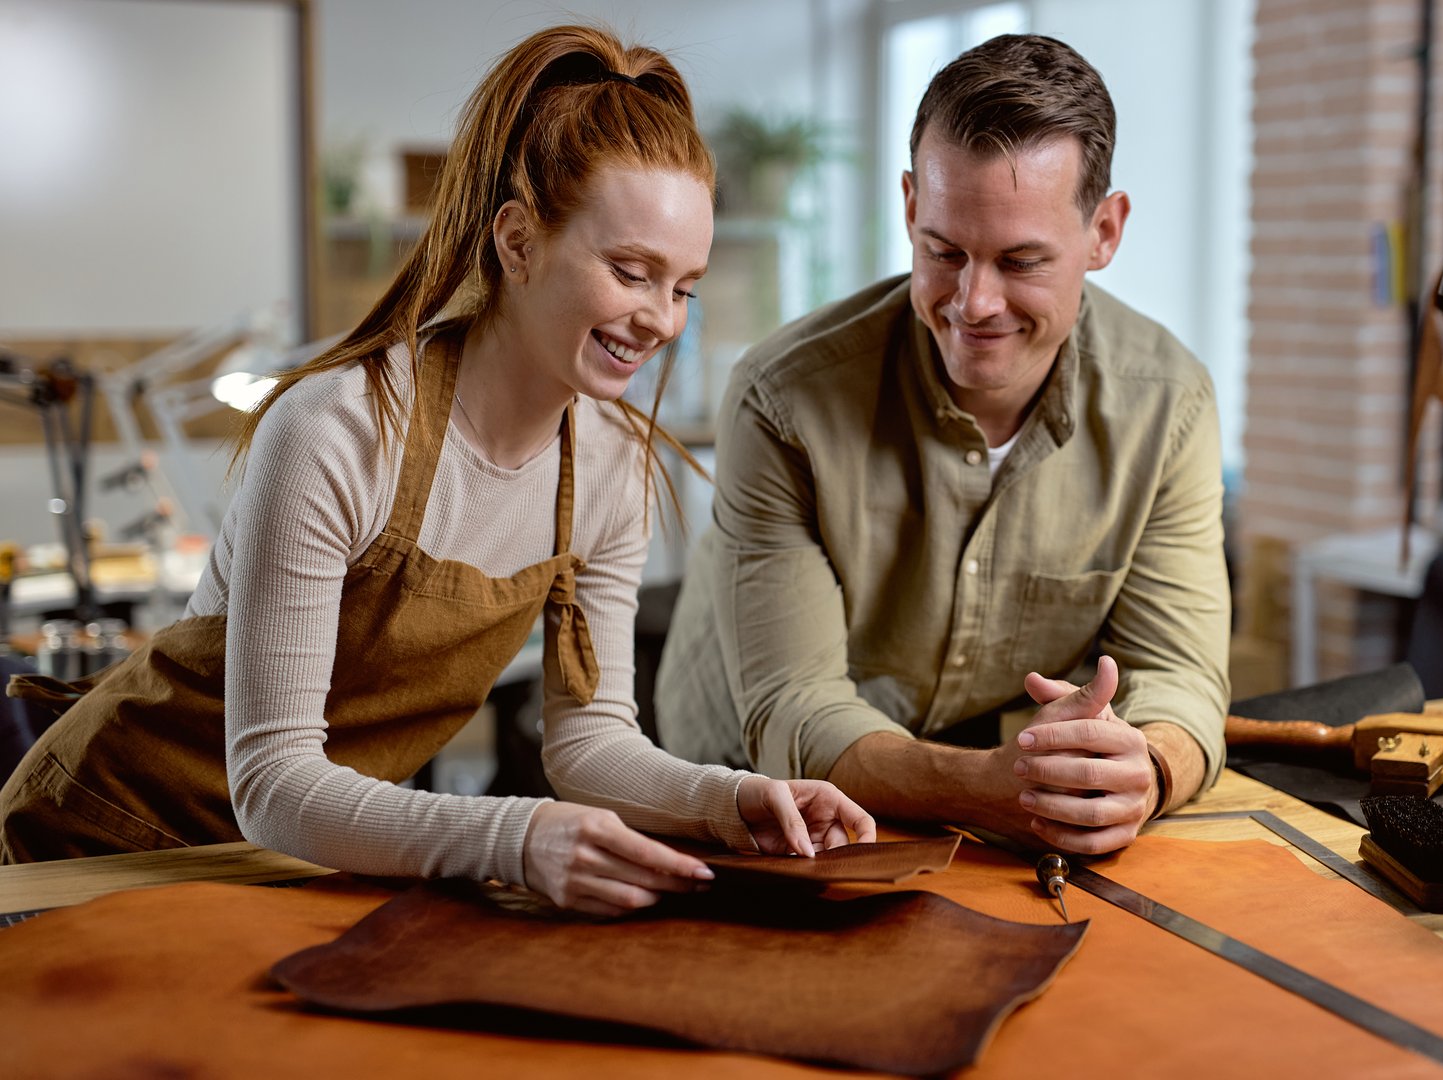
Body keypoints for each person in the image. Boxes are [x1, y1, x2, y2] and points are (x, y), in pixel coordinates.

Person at [0, 25, 874, 915]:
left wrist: (731, 800)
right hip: (100, 846)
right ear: (518, 242)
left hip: (292, 868)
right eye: (630, 272)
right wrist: (513, 836)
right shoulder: (338, 430)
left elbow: (590, 742)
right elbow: (273, 779)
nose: (662, 320)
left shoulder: (613, 468)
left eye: (684, 287)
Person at [656, 33, 1229, 856]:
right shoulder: (784, 400)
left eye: (1021, 261)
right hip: (740, 802)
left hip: (984, 808)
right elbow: (793, 708)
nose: (974, 302)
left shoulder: (1168, 406)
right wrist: (992, 786)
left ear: (1104, 231)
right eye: (944, 252)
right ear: (909, 206)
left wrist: (1149, 770)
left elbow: (1179, 675)